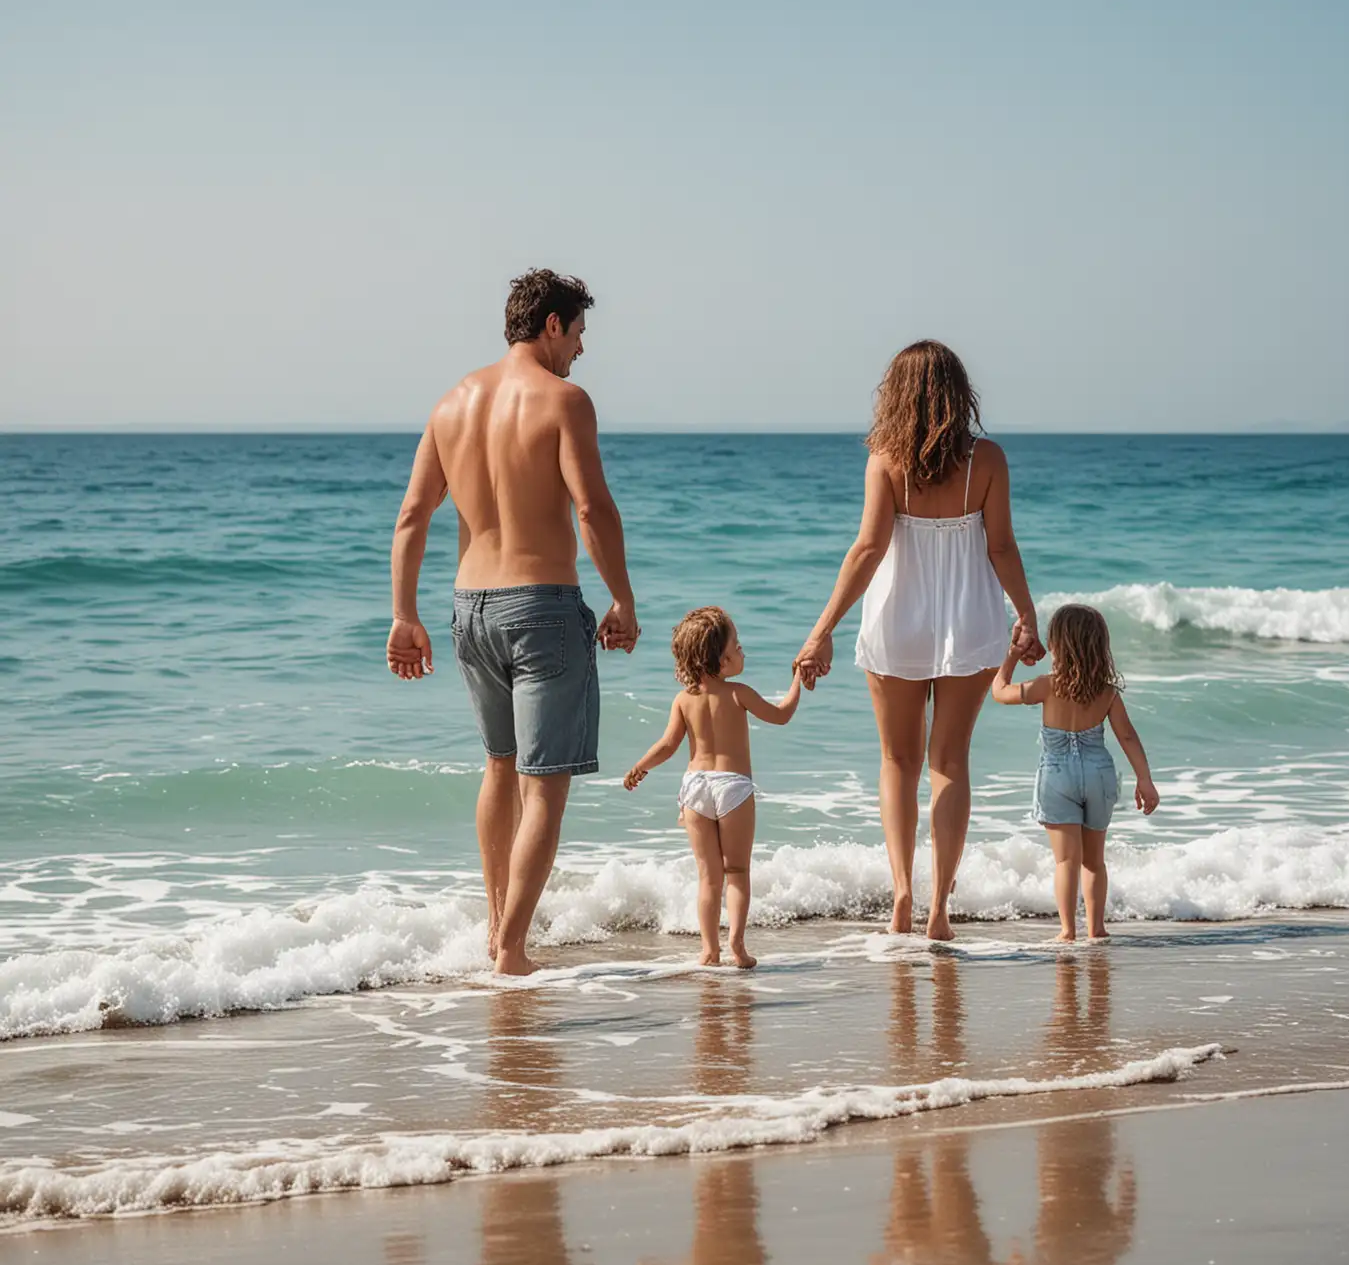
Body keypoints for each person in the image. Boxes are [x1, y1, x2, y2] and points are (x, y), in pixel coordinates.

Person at [386, 269, 639, 976]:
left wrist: (404, 614)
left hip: (469, 608)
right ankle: (512, 950)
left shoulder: (451, 404)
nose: (583, 350)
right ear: (552, 325)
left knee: (499, 769)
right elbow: (592, 510)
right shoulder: (564, 401)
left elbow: (411, 517)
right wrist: (622, 599)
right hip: (542, 605)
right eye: (580, 333)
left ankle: (499, 926)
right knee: (545, 783)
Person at [793, 340, 1044, 941]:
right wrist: (1027, 615)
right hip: (969, 620)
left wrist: (820, 631)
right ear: (959, 394)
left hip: (896, 617)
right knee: (950, 761)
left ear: (897, 395)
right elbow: (1001, 548)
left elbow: (867, 549)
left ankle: (903, 895)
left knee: (897, 762)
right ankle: (940, 912)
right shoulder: (988, 461)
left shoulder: (885, 459)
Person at [624, 607, 802, 968]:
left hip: (695, 787)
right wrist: (797, 680)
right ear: (721, 660)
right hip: (732, 786)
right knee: (736, 871)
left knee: (708, 877)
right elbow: (782, 715)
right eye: (737, 646)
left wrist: (640, 766)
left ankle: (709, 950)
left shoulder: (683, 700)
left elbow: (668, 745)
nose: (742, 650)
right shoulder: (738, 693)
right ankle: (736, 944)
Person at [991, 603, 1159, 942]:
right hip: (1098, 773)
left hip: (1057, 775)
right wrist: (1145, 779)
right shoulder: (1107, 692)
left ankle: (1067, 931)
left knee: (1066, 861)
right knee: (1094, 862)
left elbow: (1000, 692)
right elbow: (1127, 736)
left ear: (1055, 645)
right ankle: (1097, 929)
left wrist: (1011, 656)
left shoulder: (1046, 686)